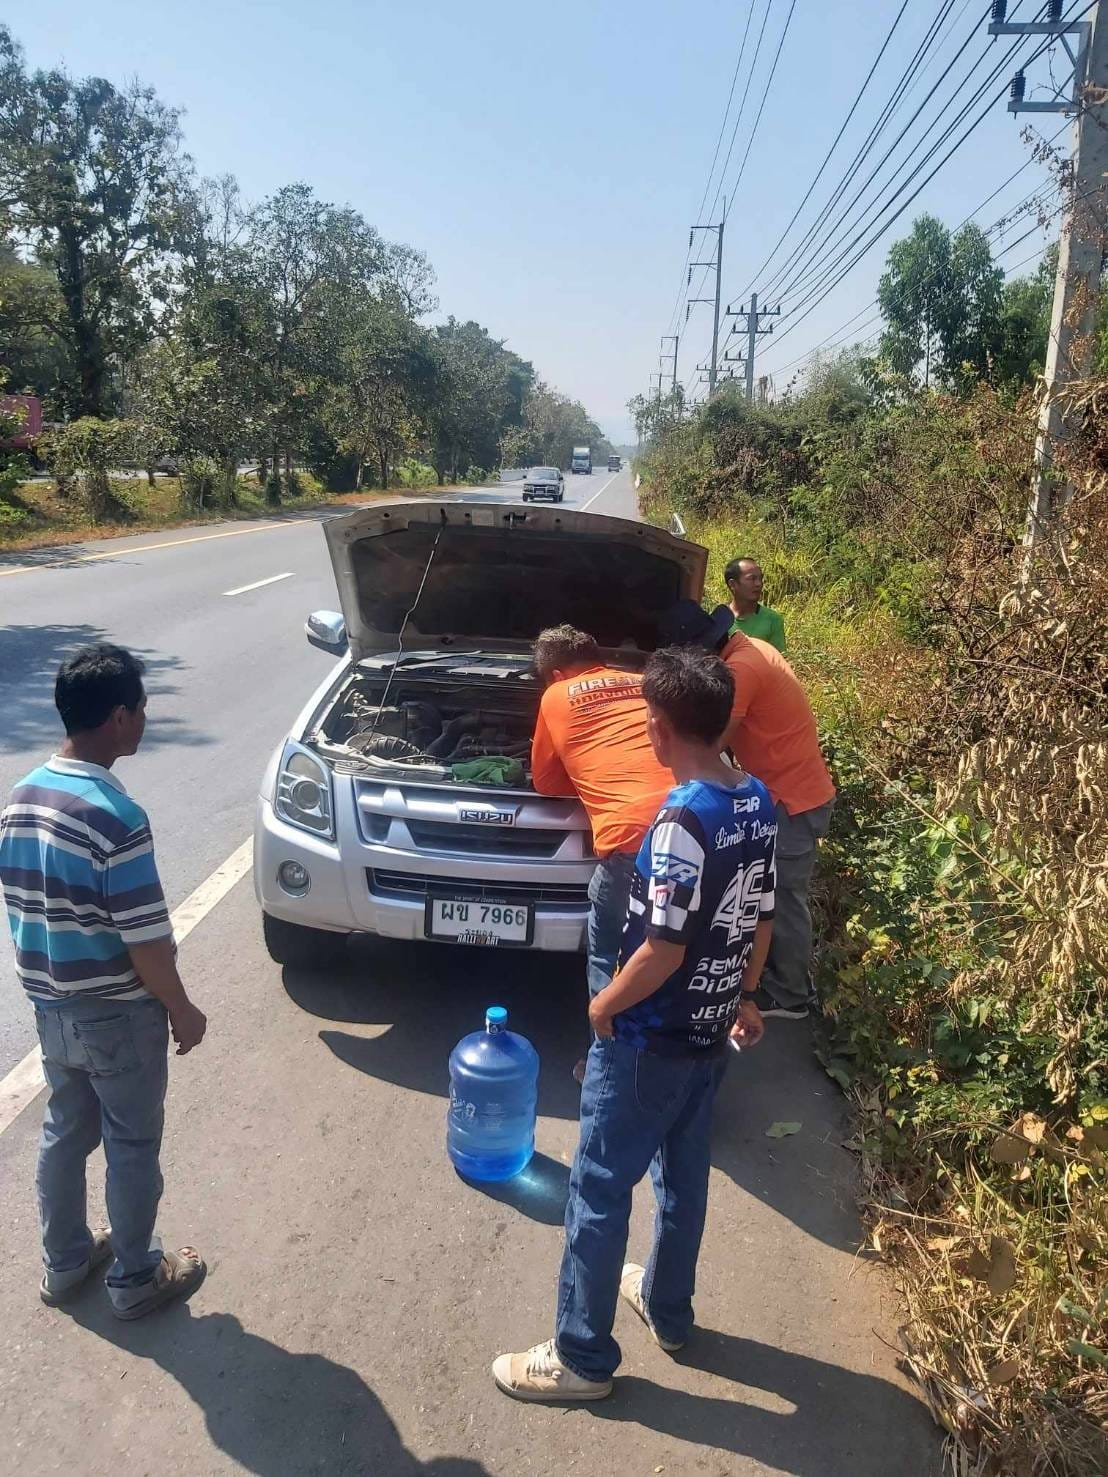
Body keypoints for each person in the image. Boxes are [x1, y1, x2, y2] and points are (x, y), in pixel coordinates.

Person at [493, 645, 775, 1401]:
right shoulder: (754, 797)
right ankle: (670, 1308)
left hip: (651, 1037)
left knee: (598, 1187)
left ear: (659, 726)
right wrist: (745, 996)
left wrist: (602, 1005)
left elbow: (662, 946)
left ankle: (579, 1355)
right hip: (712, 1032)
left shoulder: (682, 816)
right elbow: (761, 917)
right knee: (682, 1178)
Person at [0, 644, 207, 1318]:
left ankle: (64, 1264)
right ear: (119, 716)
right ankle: (136, 1277)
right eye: (142, 709)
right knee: (131, 1141)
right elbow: (145, 941)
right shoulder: (117, 819)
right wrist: (181, 1008)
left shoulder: (22, 795)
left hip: (50, 1008)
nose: (145, 720)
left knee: (64, 1129)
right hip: (118, 1014)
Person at [660, 600, 834, 1020]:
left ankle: (791, 994)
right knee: (769, 894)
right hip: (789, 792)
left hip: (791, 799)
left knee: (784, 899)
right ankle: (775, 978)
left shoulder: (741, 671)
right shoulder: (752, 647)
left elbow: (710, 746)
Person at [530, 625, 674, 1075]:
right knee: (675, 949)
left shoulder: (556, 696)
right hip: (692, 824)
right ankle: (669, 1059)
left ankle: (607, 1065)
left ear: (555, 673)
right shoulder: (643, 684)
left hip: (630, 842)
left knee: (608, 955)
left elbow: (546, 783)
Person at [724, 556, 787, 652]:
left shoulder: (772, 620)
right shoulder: (719, 619)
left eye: (760, 578)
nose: (758, 584)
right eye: (751, 579)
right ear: (733, 584)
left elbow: (778, 661)